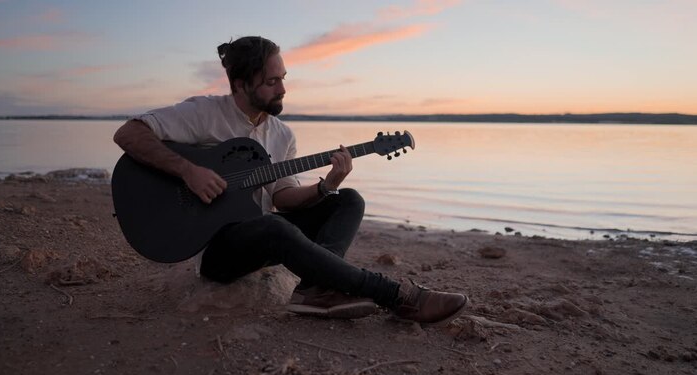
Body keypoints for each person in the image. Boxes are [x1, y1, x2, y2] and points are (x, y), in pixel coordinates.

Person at [113, 36, 468, 325]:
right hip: (216, 250)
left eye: (283, 78)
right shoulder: (203, 113)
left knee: (348, 200)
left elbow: (283, 199)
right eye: (271, 82)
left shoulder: (281, 135)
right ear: (240, 84)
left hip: (261, 236)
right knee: (275, 230)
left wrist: (326, 185)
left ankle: (317, 289)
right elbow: (129, 133)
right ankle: (397, 296)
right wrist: (189, 171)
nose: (282, 88)